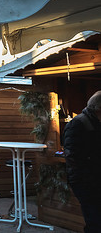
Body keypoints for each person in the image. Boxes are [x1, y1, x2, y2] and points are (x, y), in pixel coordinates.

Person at [62, 90, 101, 233]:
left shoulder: (95, 122)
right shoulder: (78, 124)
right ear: (98, 109)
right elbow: (74, 157)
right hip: (86, 182)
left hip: (93, 179)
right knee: (95, 221)